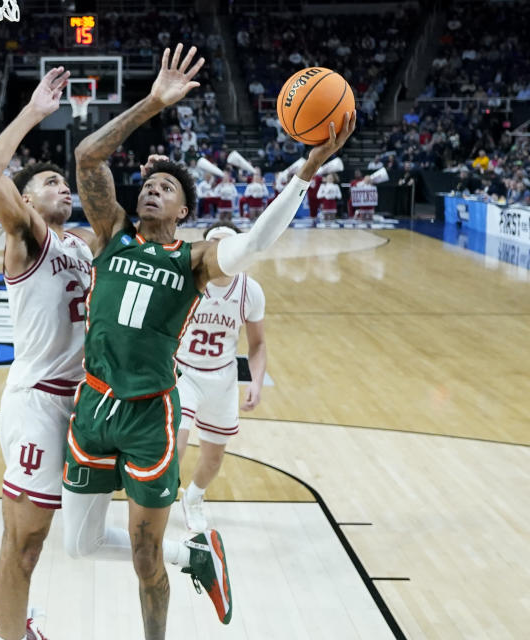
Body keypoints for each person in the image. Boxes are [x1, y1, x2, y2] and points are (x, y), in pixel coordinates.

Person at [65, 43, 355, 639]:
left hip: (150, 416)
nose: (152, 190)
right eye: (148, 184)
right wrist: (152, 102)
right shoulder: (112, 234)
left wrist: (305, 173)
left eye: (167, 188)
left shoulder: (194, 259)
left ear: (184, 210)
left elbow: (252, 247)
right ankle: (194, 556)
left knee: (144, 560)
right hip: (91, 406)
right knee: (81, 546)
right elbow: (87, 157)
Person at [0, 67, 94, 640]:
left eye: (63, 182)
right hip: (38, 405)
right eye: (49, 182)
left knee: (51, 540)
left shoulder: (81, 245)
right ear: (25, 200)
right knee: (23, 543)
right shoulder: (28, 238)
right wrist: (31, 113)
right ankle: (7, 633)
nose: (62, 187)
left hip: (82, 402)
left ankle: (13, 623)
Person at [175, 223, 267, 532]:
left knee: (213, 459)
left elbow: (257, 344)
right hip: (182, 371)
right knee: (176, 443)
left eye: (227, 245)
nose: (220, 251)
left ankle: (194, 498)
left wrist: (254, 381)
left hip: (221, 377)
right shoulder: (185, 280)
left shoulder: (250, 291)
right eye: (214, 244)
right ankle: (157, 501)